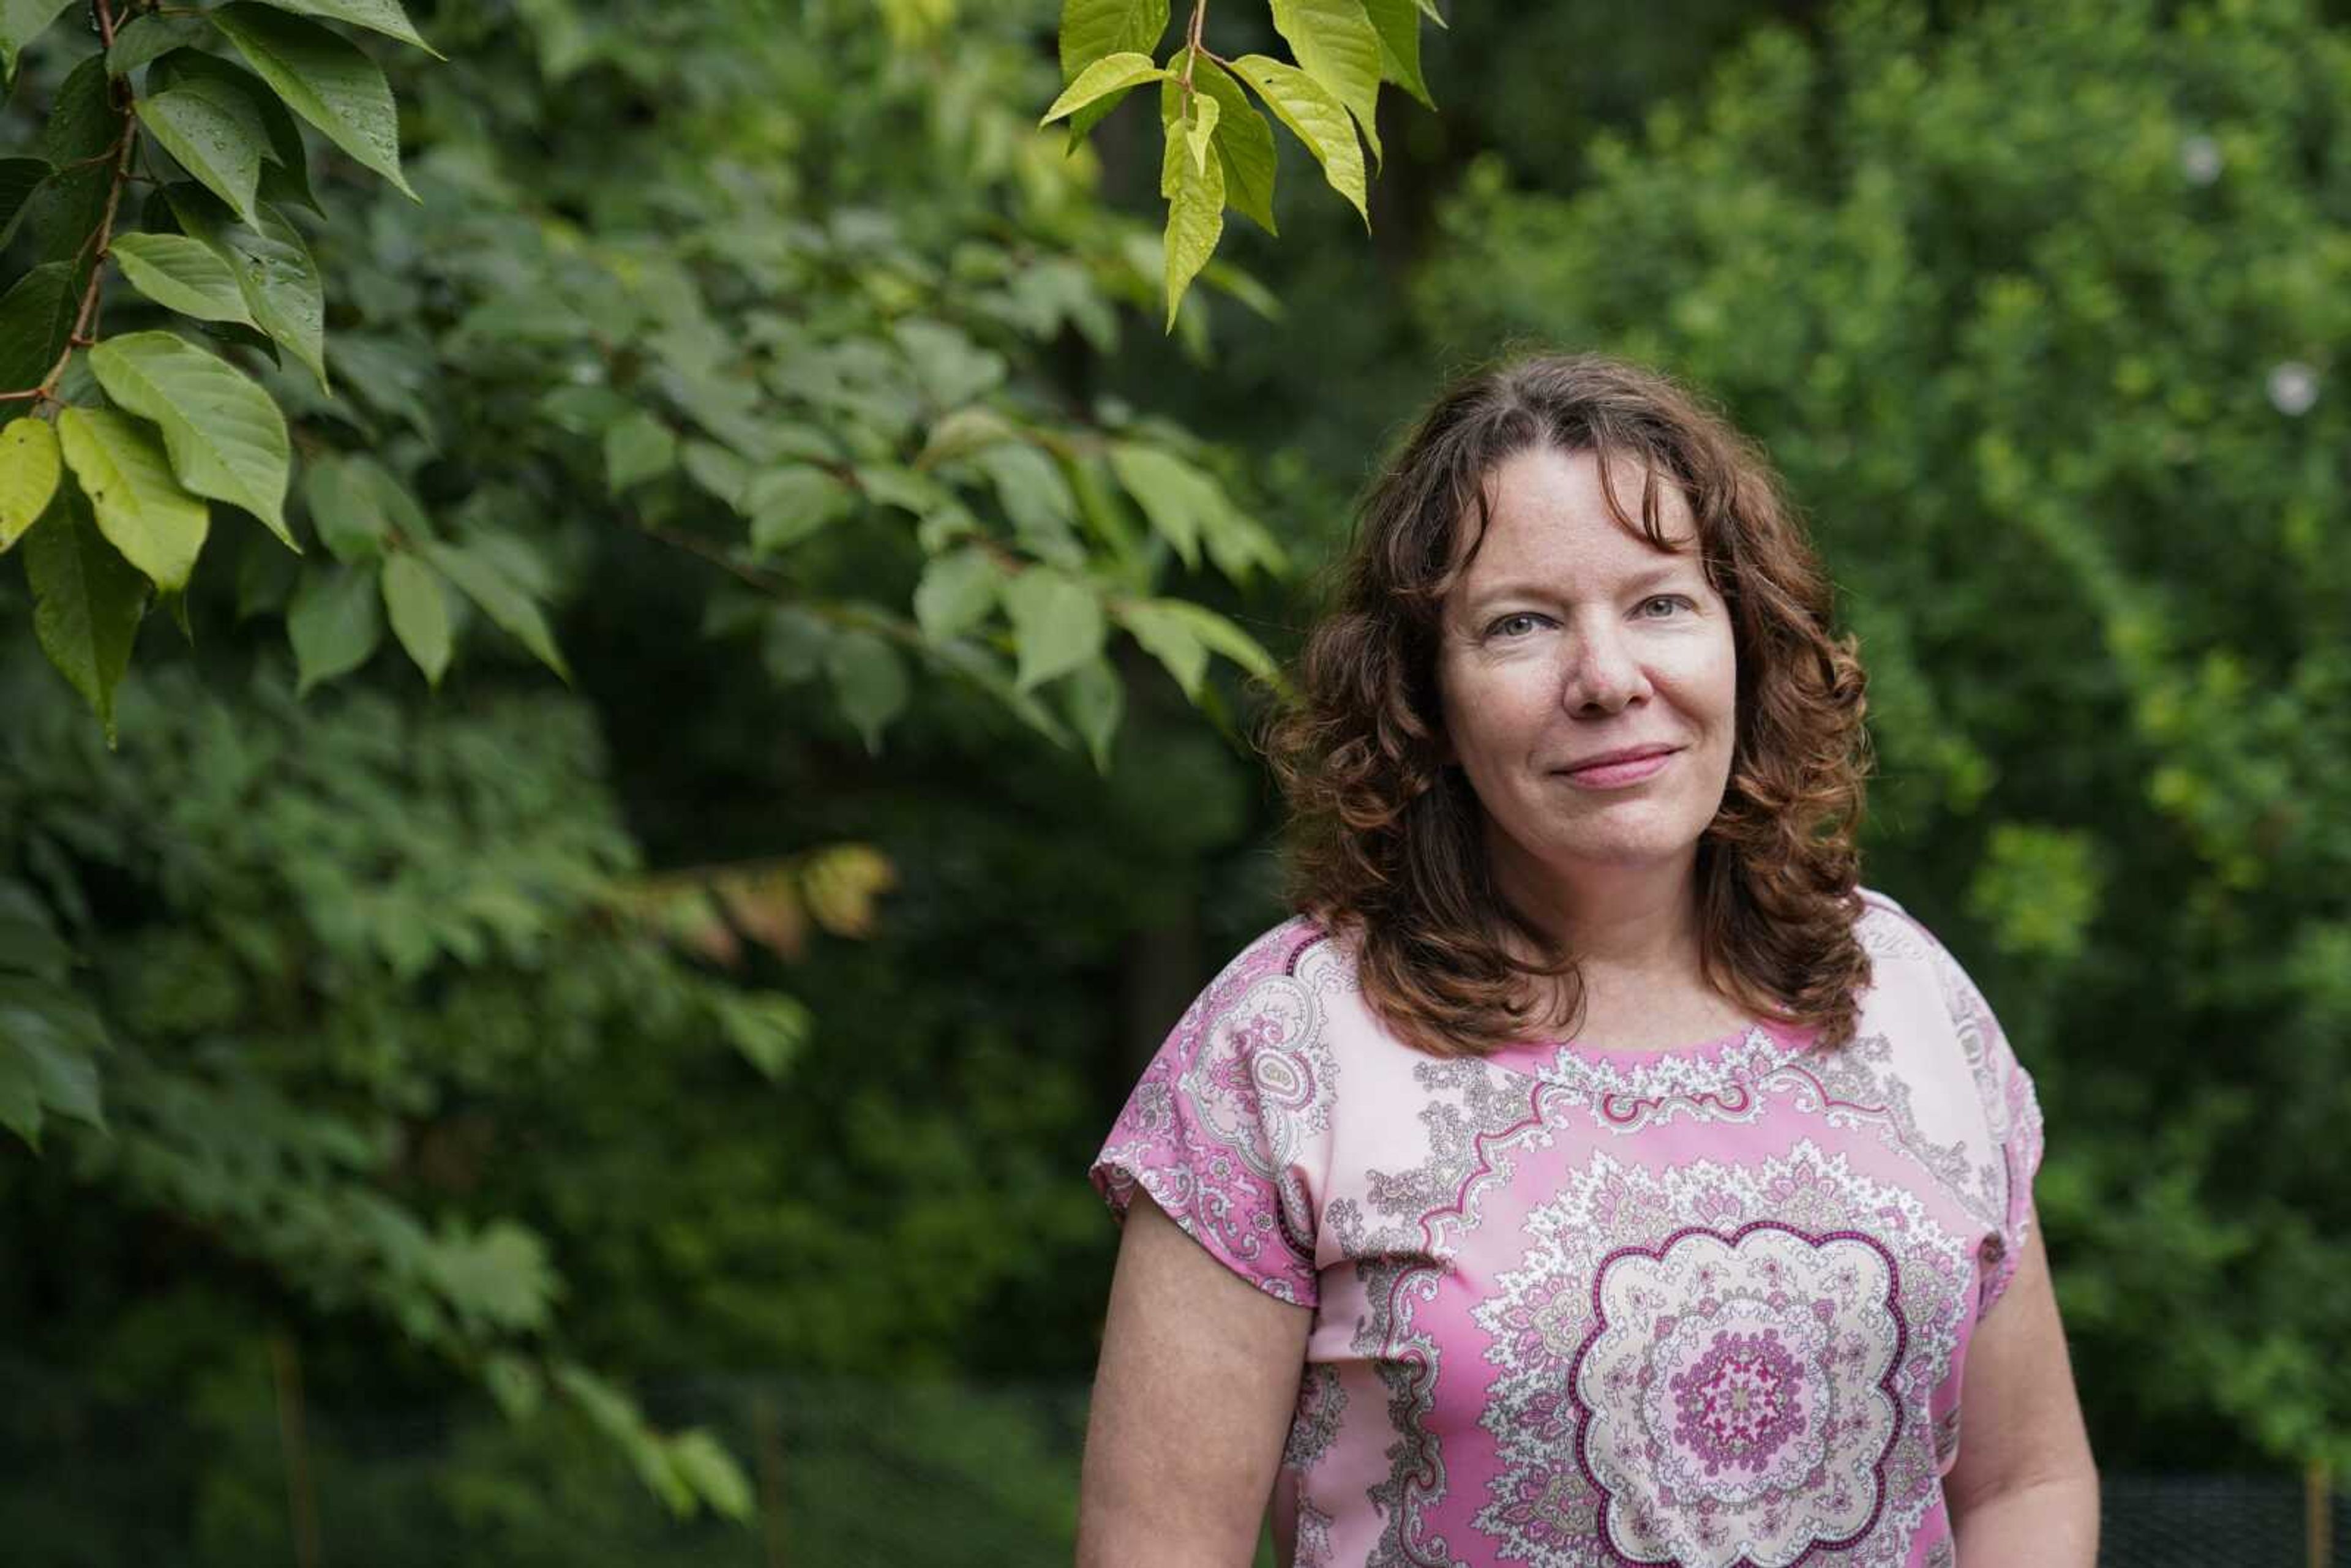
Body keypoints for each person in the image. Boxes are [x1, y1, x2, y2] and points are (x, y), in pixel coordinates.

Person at [1074, 353, 2098, 1567]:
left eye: (1662, 603)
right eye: (1521, 625)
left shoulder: (1905, 991)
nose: (1609, 680)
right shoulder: (1283, 1052)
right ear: (1424, 695)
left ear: (1746, 641)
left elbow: (2026, 1482)